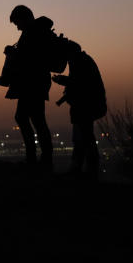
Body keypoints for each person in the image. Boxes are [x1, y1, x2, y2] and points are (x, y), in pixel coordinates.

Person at [0, 5, 55, 172]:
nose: (17, 27)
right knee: (33, 120)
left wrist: (13, 54)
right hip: (34, 83)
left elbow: (31, 59)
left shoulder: (34, 33)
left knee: (31, 119)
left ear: (24, 18)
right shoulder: (35, 32)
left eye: (17, 23)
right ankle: (40, 159)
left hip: (32, 84)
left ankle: (38, 159)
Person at [52, 41, 107, 178]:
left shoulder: (80, 62)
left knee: (84, 138)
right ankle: (81, 170)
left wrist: (63, 80)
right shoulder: (82, 60)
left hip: (85, 107)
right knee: (81, 138)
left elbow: (80, 83)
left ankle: (86, 170)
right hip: (85, 106)